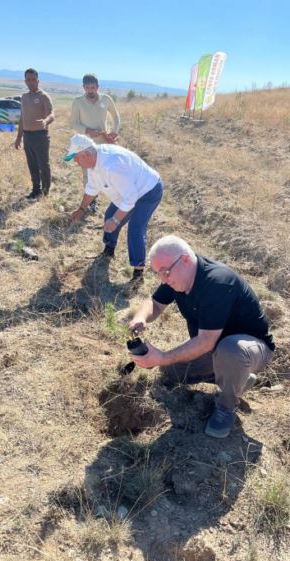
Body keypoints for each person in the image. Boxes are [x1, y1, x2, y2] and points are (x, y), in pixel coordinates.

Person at [127, 235, 275, 439]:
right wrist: (140, 317)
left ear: (185, 260)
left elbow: (206, 341)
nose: (163, 279)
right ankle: (236, 378)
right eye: (158, 274)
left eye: (165, 272)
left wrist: (161, 355)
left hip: (251, 348)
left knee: (230, 350)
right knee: (171, 371)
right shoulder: (177, 278)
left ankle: (226, 408)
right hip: (213, 349)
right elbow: (156, 303)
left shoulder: (217, 282)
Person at [64, 134, 163, 281]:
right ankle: (109, 250)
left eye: (76, 157)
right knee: (109, 216)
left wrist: (116, 220)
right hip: (129, 191)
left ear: (86, 154)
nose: (75, 161)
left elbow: (130, 199)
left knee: (135, 228)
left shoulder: (112, 166)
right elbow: (91, 189)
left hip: (148, 190)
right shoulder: (92, 164)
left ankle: (138, 272)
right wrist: (81, 210)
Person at [70, 74, 121, 212]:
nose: (90, 90)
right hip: (85, 144)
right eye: (88, 88)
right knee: (88, 172)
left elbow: (116, 117)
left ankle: (117, 199)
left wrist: (114, 131)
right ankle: (91, 202)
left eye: (93, 87)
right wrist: (87, 130)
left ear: (98, 87)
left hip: (104, 143)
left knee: (106, 170)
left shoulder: (106, 99)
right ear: (83, 87)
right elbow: (73, 123)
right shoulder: (78, 102)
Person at [13, 68, 54, 199]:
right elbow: (22, 118)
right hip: (28, 136)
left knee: (43, 164)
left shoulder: (43, 96)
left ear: (38, 80)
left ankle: (45, 191)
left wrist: (46, 121)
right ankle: (35, 190)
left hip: (41, 135)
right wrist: (19, 137)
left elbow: (52, 114)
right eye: (28, 80)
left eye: (33, 80)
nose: (31, 82)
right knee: (32, 165)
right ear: (25, 81)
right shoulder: (24, 97)